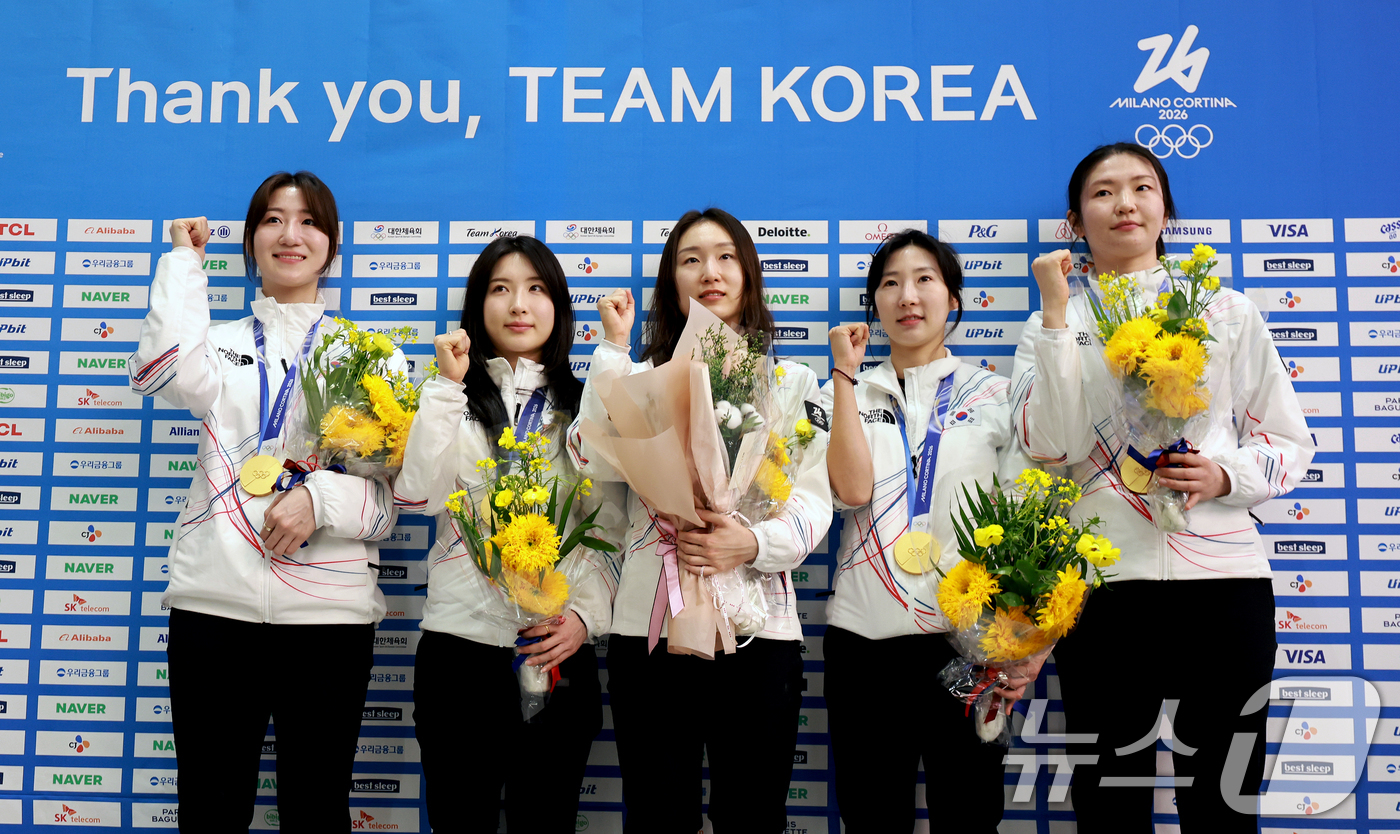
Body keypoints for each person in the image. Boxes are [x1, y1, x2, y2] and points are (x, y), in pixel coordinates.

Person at [1010, 143, 1314, 832]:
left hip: (1226, 584)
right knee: (1110, 803)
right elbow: (1047, 444)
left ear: (1164, 209)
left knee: (1225, 801)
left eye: (1142, 188)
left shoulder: (1226, 311)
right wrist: (1057, 315)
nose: (1124, 203)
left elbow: (1288, 443)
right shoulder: (1049, 325)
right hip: (1107, 588)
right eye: (1103, 192)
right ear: (1073, 221)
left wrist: (1224, 475)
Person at [129, 171, 403, 833]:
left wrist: (322, 498)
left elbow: (392, 503)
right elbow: (158, 369)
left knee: (315, 809)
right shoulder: (216, 347)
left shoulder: (370, 355)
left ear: (332, 246)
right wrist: (184, 264)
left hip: (329, 619)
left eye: (309, 220)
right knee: (211, 809)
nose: (290, 234)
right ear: (250, 242)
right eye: (273, 220)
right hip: (213, 610)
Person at [567, 208, 833, 834]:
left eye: (724, 256)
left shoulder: (791, 381)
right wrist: (610, 353)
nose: (708, 272)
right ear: (670, 280)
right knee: (658, 815)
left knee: (753, 814)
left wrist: (752, 542)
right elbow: (587, 455)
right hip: (650, 628)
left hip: (759, 629)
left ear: (748, 273)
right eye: (690, 259)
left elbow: (816, 498)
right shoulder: (637, 377)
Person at [395, 235, 624, 833]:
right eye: (500, 289)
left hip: (555, 649)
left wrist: (584, 621)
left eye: (535, 289)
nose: (518, 304)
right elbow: (416, 495)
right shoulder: (448, 398)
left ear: (559, 307)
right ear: (477, 307)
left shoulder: (585, 407)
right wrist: (447, 387)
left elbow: (614, 532)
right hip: (459, 654)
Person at [821, 229, 1031, 833]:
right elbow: (850, 492)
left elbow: (1022, 518)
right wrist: (844, 377)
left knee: (968, 817)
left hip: (966, 642)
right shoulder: (843, 392)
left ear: (953, 299)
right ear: (874, 305)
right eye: (890, 283)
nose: (907, 295)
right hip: (865, 644)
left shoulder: (993, 393)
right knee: (870, 818)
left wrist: (1012, 635)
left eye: (924, 280)